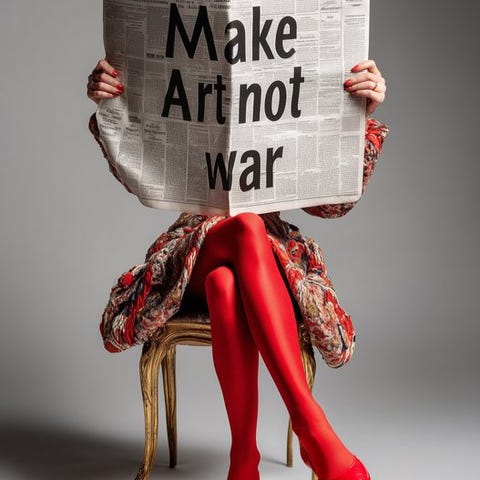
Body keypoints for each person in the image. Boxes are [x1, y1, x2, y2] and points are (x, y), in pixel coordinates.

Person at [87, 57, 388, 480]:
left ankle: (243, 460)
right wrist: (111, 104)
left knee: (224, 284)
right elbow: (140, 173)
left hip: (264, 255)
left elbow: (334, 205)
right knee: (246, 227)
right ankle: (311, 425)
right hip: (194, 250)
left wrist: (356, 116)